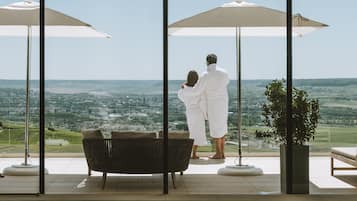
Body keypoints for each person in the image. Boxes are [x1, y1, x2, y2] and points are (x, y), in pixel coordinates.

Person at [181, 54, 229, 159]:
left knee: (215, 128)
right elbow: (225, 84)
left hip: (213, 103)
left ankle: (218, 153)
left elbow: (197, 90)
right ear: (216, 61)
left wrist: (185, 87)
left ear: (207, 62)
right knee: (222, 127)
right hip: (224, 102)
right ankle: (222, 153)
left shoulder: (206, 74)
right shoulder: (224, 73)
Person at [178, 70, 207, 159]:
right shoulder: (199, 90)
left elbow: (181, 97)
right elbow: (203, 103)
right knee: (197, 133)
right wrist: (206, 115)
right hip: (198, 112)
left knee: (192, 132)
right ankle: (193, 153)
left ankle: (190, 153)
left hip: (189, 112)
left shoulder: (183, 90)